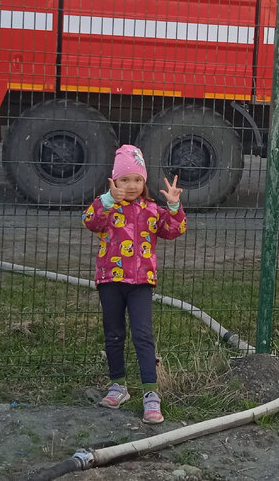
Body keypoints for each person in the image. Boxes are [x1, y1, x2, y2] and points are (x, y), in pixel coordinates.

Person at [81, 144, 186, 424]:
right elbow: (90, 221)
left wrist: (174, 206)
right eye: (124, 180)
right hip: (110, 281)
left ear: (144, 182)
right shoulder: (106, 208)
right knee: (113, 334)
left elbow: (174, 229)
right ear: (114, 181)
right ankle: (118, 387)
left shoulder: (151, 210)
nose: (131, 185)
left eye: (137, 180)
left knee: (143, 336)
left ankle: (151, 395)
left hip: (141, 284)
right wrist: (105, 200)